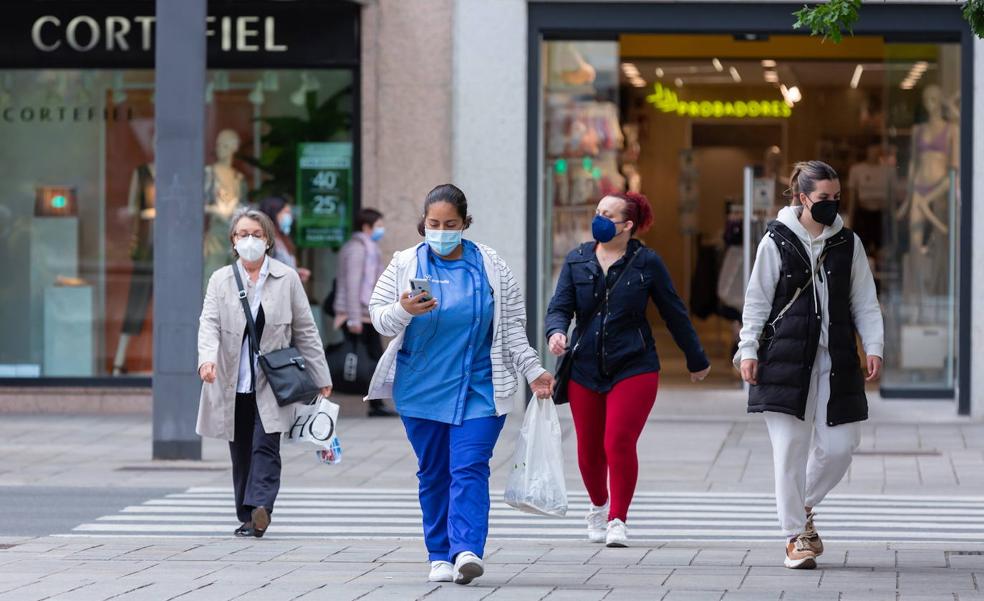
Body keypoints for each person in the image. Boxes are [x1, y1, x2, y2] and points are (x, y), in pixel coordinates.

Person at [365, 184, 554, 585]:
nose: (441, 231)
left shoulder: (491, 266)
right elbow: (378, 317)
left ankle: (467, 549)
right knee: (433, 471)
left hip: (480, 388)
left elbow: (512, 329)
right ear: (423, 223)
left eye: (450, 224)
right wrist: (402, 309)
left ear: (465, 224)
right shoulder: (404, 263)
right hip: (421, 389)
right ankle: (439, 554)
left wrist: (534, 370)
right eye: (433, 224)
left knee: (470, 466)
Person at [735, 161, 883, 570]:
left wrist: (874, 345)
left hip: (835, 359)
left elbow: (864, 301)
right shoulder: (776, 241)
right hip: (784, 358)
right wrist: (748, 350)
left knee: (842, 445)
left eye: (836, 198)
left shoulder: (847, 243)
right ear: (802, 198)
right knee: (789, 450)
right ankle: (794, 536)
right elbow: (757, 300)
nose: (831, 205)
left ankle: (803, 506)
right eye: (823, 199)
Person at [546, 192, 711, 548]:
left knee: (617, 442)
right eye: (597, 212)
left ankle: (618, 518)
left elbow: (673, 311)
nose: (599, 218)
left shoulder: (646, 262)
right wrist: (556, 332)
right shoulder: (577, 259)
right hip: (584, 366)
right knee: (589, 451)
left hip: (634, 364)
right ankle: (597, 505)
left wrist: (696, 359)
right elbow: (559, 306)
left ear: (627, 225)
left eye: (608, 214)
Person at [196, 208, 332, 538]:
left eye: (256, 235)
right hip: (231, 379)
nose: (249, 240)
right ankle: (247, 516)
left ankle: (261, 506)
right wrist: (206, 360)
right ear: (233, 240)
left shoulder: (287, 279)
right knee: (240, 449)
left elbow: (306, 330)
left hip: (272, 381)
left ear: (268, 240)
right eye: (243, 234)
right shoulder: (221, 279)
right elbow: (209, 324)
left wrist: (322, 376)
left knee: (266, 444)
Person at [333, 208, 395, 417]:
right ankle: (374, 404)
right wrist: (352, 318)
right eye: (378, 225)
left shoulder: (370, 248)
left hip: (366, 313)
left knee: (375, 358)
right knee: (372, 358)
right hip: (356, 314)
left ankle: (376, 403)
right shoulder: (357, 250)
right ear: (366, 227)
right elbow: (352, 285)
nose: (381, 230)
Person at [258, 196, 311, 283]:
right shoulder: (265, 242)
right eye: (286, 212)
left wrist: (296, 272)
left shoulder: (282, 239)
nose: (289, 217)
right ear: (273, 214)